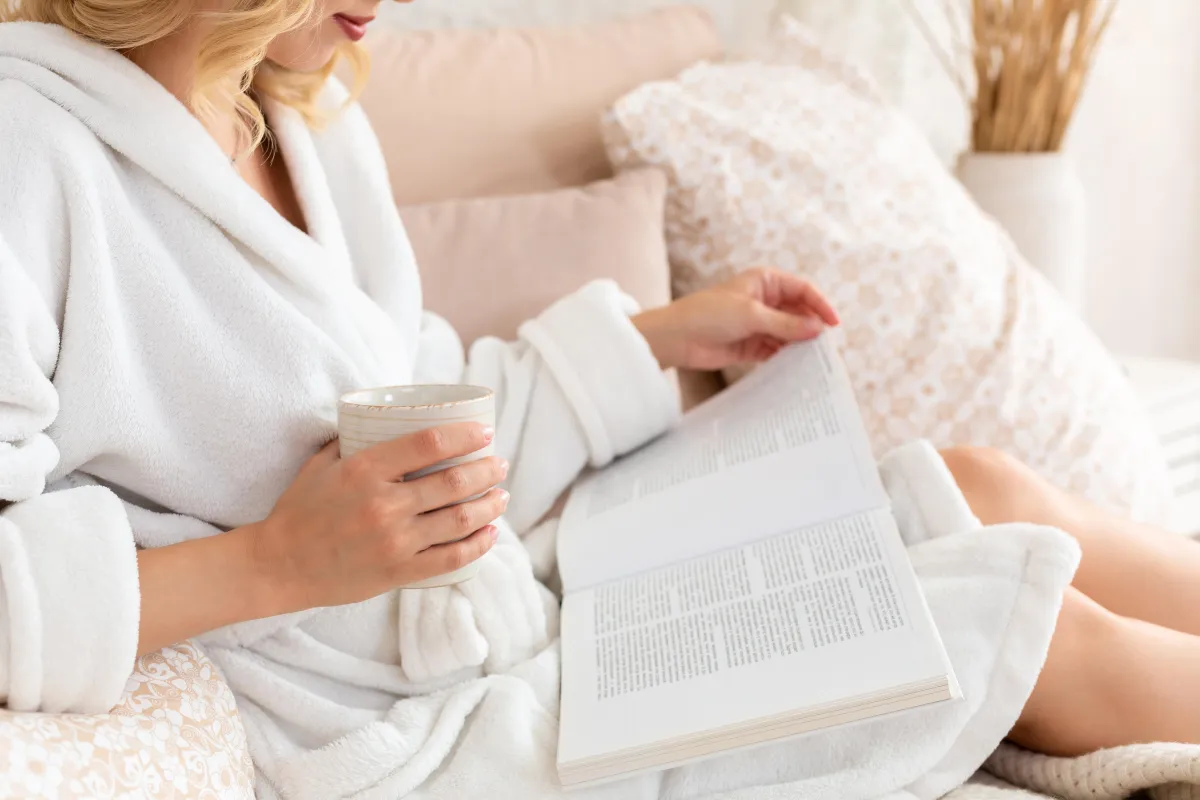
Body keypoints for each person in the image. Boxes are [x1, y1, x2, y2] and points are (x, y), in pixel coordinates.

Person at [0, 0, 1198, 796]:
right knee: (1009, 622)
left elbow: (424, 429)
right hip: (414, 743)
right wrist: (278, 563)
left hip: (528, 608)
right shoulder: (29, 158)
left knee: (975, 483)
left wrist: (646, 340)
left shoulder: (301, 118)